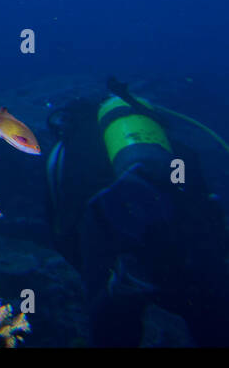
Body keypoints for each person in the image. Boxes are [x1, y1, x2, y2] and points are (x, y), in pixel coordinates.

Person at [45, 79, 229, 346]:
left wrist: (93, 272)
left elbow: (62, 231)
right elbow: (208, 213)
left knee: (114, 326)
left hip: (117, 256)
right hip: (186, 253)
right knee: (211, 315)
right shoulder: (173, 148)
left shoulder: (65, 155)